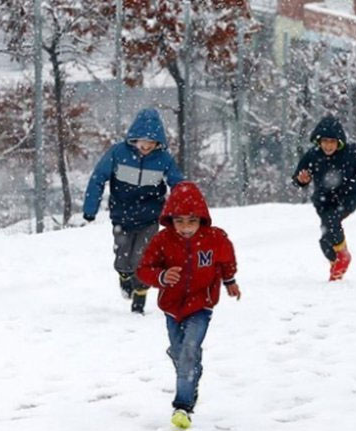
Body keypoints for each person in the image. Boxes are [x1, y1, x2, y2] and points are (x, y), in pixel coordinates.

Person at [136, 181, 241, 429]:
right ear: (170, 219)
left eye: (192, 221)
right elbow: (144, 269)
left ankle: (182, 406)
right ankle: (190, 371)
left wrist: (230, 280)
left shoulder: (214, 238)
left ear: (202, 219)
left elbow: (226, 259)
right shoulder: (162, 240)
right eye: (179, 221)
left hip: (201, 304)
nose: (185, 228)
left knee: (189, 349)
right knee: (179, 351)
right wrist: (161, 276)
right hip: (172, 307)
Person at [83, 108, 184, 313]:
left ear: (159, 142)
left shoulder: (163, 159)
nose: (146, 146)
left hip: (149, 217)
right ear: (134, 139)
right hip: (122, 215)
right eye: (142, 142)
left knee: (143, 257)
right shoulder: (118, 153)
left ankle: (140, 294)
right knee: (123, 256)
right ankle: (124, 276)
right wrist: (90, 208)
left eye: (152, 143)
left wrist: (183, 210)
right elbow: (98, 178)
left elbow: (178, 184)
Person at [291, 114, 356, 281]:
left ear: (339, 142)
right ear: (318, 141)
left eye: (332, 142)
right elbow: (299, 176)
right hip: (323, 200)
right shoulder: (313, 155)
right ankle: (336, 261)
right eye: (324, 141)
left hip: (347, 197)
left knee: (332, 222)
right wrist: (301, 180)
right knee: (325, 239)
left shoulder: (351, 153)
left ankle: (343, 257)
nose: (328, 146)